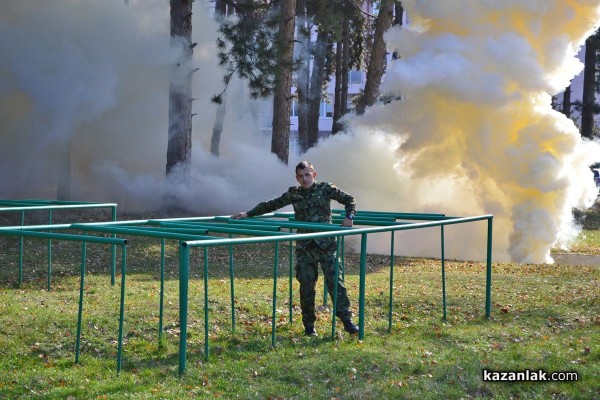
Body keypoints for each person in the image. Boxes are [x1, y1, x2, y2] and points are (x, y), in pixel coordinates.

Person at [232, 161, 359, 336]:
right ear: (296, 178)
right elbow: (272, 204)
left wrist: (349, 216)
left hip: (326, 245)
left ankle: (347, 321)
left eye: (307, 175)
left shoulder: (325, 188)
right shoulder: (294, 193)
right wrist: (248, 213)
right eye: (300, 176)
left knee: (336, 284)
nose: (304, 179)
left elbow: (349, 199)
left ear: (314, 174)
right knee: (307, 287)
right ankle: (309, 326)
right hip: (305, 248)